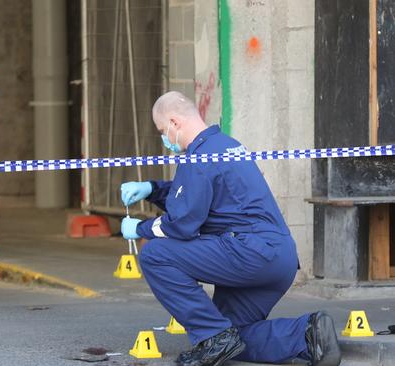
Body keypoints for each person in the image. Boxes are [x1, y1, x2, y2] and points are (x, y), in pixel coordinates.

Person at [120, 91, 340, 366]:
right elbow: (192, 196)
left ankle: (213, 338)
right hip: (278, 257)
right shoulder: (225, 144)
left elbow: (182, 224)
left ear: (174, 123)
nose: (165, 139)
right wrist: (152, 190)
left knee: (155, 254)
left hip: (248, 252)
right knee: (235, 338)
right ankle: (306, 334)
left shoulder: (198, 158)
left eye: (163, 130)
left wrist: (140, 228)